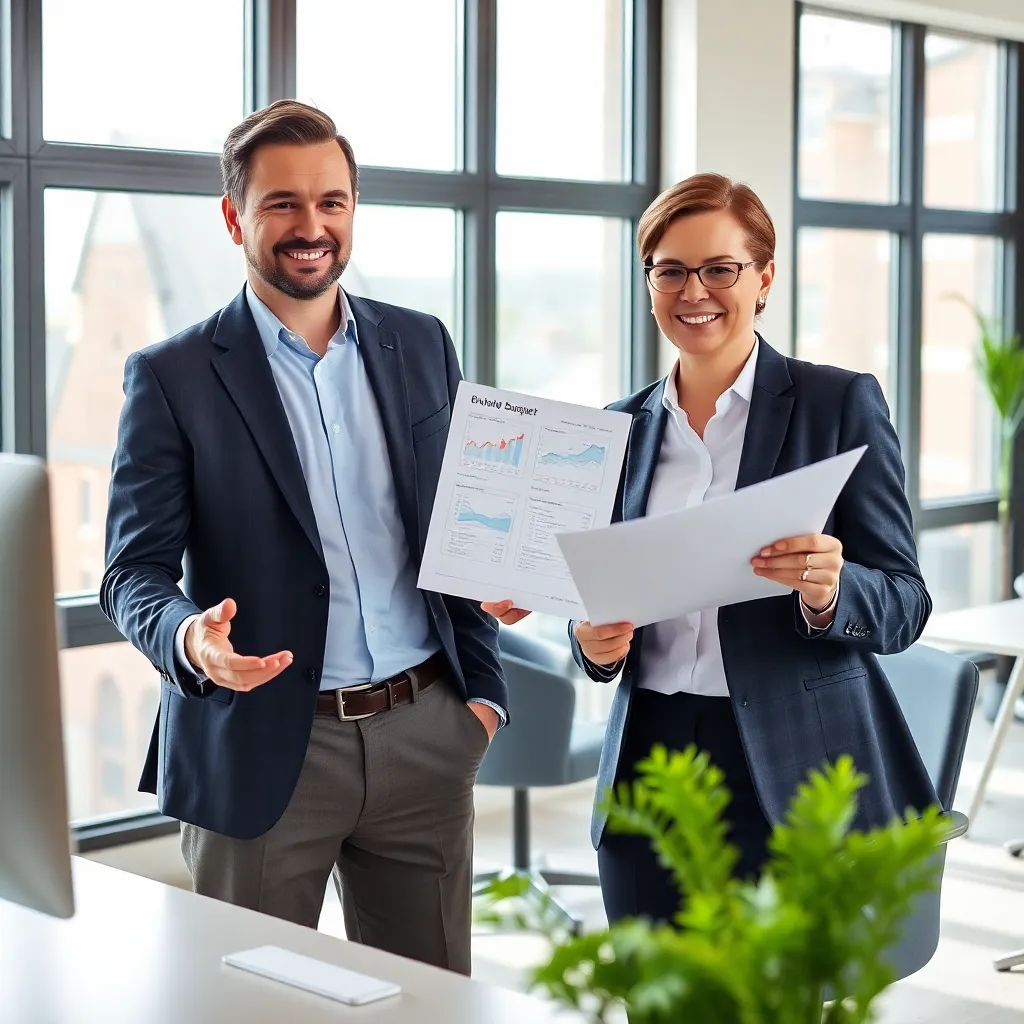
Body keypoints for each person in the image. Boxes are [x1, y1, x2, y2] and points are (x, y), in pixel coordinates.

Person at [101, 100, 507, 974]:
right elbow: (131, 571)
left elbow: (454, 520)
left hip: (427, 735)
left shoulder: (422, 343)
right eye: (282, 203)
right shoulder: (172, 376)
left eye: (332, 201)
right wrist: (187, 639)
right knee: (252, 999)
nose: (310, 226)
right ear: (233, 217)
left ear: (354, 209)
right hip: (257, 745)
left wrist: (480, 698)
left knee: (430, 1001)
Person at [484, 172, 937, 926]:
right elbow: (594, 599)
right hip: (650, 755)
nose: (694, 290)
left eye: (719, 268)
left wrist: (830, 591)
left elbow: (905, 601)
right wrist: (593, 643)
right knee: (654, 993)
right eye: (670, 269)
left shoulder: (837, 403)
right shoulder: (614, 430)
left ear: (762, 278)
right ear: (650, 282)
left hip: (791, 759)